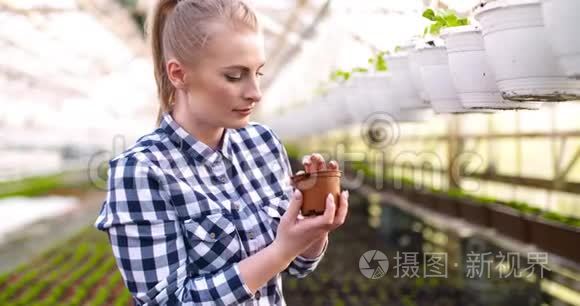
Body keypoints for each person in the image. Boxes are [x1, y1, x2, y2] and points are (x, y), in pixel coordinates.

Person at [94, 0, 350, 305]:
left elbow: (298, 266)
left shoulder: (263, 144)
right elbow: (170, 301)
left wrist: (314, 229)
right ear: (178, 74)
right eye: (234, 76)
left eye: (258, 73)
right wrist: (279, 251)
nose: (254, 92)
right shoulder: (141, 171)